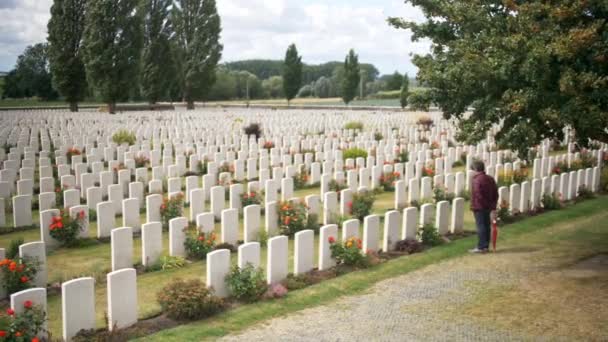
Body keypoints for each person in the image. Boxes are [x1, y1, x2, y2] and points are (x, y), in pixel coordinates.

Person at [469, 160, 498, 253]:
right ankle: (486, 246)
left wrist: (483, 204)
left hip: (479, 206)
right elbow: (495, 193)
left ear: (476, 169)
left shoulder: (476, 180)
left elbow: (478, 194)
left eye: (472, 169)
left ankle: (481, 247)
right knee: (486, 226)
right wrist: (492, 206)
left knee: (481, 226)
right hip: (488, 206)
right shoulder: (490, 178)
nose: (471, 172)